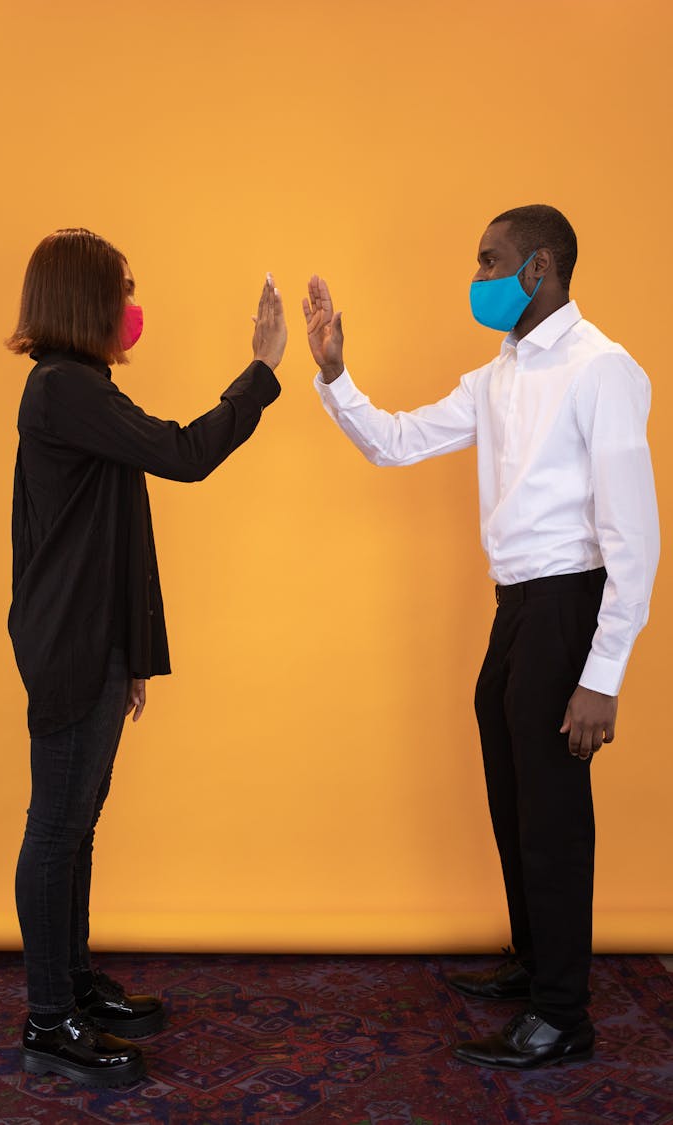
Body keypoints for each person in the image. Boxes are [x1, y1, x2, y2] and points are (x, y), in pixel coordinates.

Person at [303, 204, 659, 1070]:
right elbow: (394, 442)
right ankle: (535, 961)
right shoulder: (495, 375)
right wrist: (335, 376)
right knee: (512, 789)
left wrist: (602, 672)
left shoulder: (603, 370)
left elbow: (635, 537)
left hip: (569, 602)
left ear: (540, 268)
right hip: (516, 608)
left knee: (554, 811)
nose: (478, 276)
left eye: (490, 260)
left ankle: (562, 1014)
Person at [7, 228, 286, 1087]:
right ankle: (49, 1018)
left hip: (95, 636)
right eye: (122, 291)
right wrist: (263, 372)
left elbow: (116, 528)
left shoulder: (80, 388)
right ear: (84, 302)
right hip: (68, 640)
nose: (133, 309)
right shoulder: (62, 388)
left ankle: (73, 980)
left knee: (77, 822)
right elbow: (184, 454)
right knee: (56, 827)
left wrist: (133, 652)